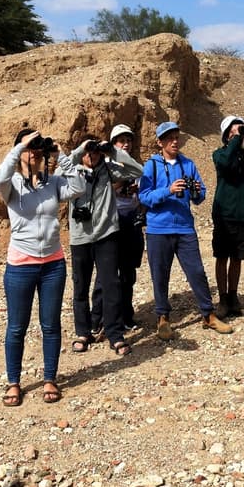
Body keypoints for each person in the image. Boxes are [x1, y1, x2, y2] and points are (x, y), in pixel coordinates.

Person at [0, 128, 87, 407]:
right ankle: (14, 382)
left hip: (53, 264)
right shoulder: (10, 185)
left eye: (38, 149)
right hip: (21, 264)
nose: (35, 153)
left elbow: (80, 187)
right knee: (16, 327)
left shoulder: (53, 182)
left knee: (51, 325)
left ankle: (50, 378)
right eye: (29, 149)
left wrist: (62, 157)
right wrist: (18, 147)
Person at [139, 121, 232, 340]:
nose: (174, 141)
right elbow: (143, 197)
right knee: (160, 275)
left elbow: (200, 197)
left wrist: (198, 191)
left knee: (197, 272)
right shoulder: (151, 166)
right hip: (158, 229)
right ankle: (163, 318)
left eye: (176, 137)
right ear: (160, 142)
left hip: (184, 228)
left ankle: (207, 314)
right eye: (169, 138)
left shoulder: (188, 164)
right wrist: (168, 190)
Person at [68, 133, 144, 356]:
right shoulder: (73, 171)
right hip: (80, 237)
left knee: (111, 285)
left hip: (106, 235)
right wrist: (79, 151)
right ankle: (83, 332)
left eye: (94, 150)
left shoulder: (109, 170)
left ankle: (115, 334)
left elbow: (138, 171)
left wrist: (112, 151)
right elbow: (58, 173)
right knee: (80, 286)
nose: (91, 155)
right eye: (87, 151)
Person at [90, 124, 145, 333]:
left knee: (128, 272)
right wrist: (120, 184)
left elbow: (141, 193)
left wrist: (136, 191)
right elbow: (97, 192)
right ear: (112, 144)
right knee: (106, 272)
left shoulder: (134, 165)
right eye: (121, 141)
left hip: (130, 219)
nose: (126, 144)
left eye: (128, 140)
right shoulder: (102, 166)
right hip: (109, 221)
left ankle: (125, 315)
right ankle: (97, 318)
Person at [212, 115, 244, 318]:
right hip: (225, 214)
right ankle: (223, 298)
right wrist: (234, 139)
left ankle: (233, 296)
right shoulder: (220, 154)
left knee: (237, 257)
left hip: (243, 214)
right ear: (226, 136)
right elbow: (224, 162)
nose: (238, 134)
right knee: (221, 256)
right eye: (233, 131)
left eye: (239, 130)